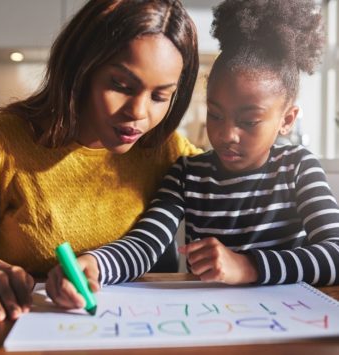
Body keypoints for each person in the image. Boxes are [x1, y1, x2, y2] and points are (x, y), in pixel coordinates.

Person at [46, 0, 339, 310]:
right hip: (209, 320)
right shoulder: (188, 173)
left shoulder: (298, 168)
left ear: (287, 120)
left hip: (287, 319)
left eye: (249, 121)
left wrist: (247, 267)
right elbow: (146, 244)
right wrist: (95, 264)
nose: (227, 135)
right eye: (215, 115)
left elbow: (335, 253)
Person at [0, 0, 201, 322]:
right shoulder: (1, 141)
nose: (139, 113)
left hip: (142, 330)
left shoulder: (165, 148)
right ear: (82, 69)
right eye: (120, 85)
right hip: (33, 324)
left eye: (160, 96)